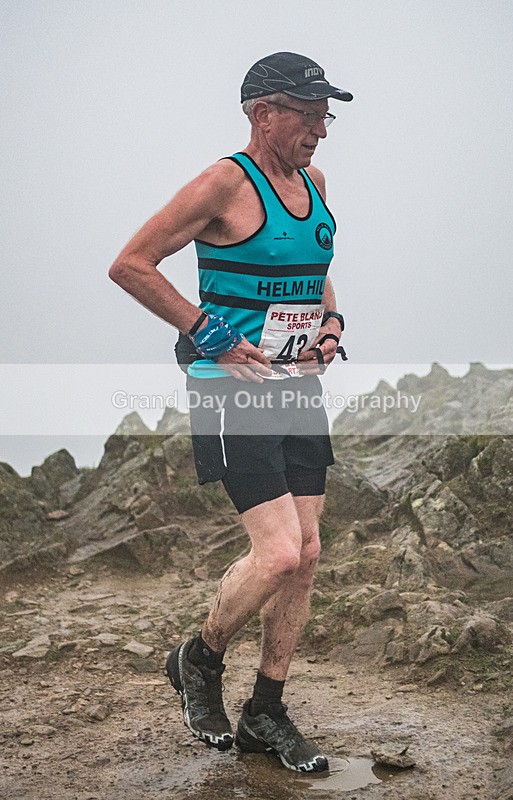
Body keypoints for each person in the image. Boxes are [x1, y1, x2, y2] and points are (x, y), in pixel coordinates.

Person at [109, 51, 352, 773]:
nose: (320, 131)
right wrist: (205, 328)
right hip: (228, 385)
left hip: (295, 384)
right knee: (276, 552)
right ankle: (199, 658)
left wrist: (331, 325)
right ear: (262, 112)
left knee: (305, 558)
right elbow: (131, 263)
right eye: (307, 116)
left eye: (324, 116)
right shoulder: (223, 182)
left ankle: (265, 712)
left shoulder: (313, 182)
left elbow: (311, 271)